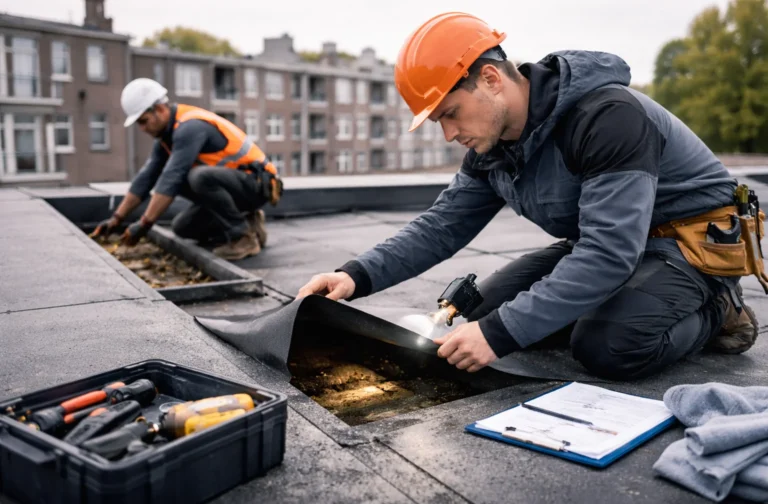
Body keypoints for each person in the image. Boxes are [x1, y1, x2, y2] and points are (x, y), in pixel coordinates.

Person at [296, 12, 764, 381]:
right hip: (620, 243)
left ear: (491, 79)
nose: (449, 134)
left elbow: (609, 253)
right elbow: (441, 227)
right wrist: (354, 276)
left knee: (606, 345)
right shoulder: (493, 146)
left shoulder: (606, 117)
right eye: (439, 122)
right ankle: (623, 303)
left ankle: (718, 310)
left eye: (451, 113)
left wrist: (500, 334)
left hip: (691, 245)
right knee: (480, 314)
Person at [90, 78, 283, 261]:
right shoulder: (166, 137)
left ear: (159, 109)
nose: (142, 128)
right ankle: (249, 221)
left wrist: (144, 224)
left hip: (259, 185)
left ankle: (243, 238)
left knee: (197, 177)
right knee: (183, 228)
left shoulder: (190, 126)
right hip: (236, 189)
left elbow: (172, 177)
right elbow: (146, 177)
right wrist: (116, 219)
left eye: (143, 121)